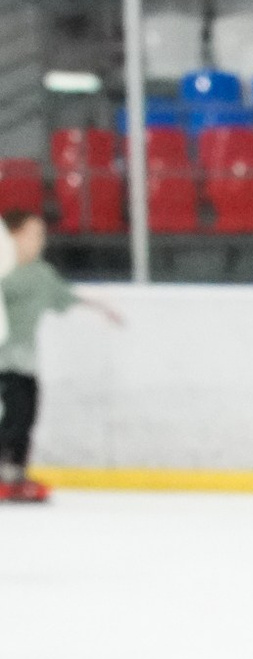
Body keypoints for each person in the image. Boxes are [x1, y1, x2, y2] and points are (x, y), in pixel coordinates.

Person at [1, 209, 123, 503]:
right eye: (32, 234)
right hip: (3, 361)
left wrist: (101, 308)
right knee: (13, 418)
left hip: (25, 363)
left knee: (27, 415)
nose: (39, 241)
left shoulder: (42, 274)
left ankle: (15, 471)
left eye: (41, 235)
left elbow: (64, 296)